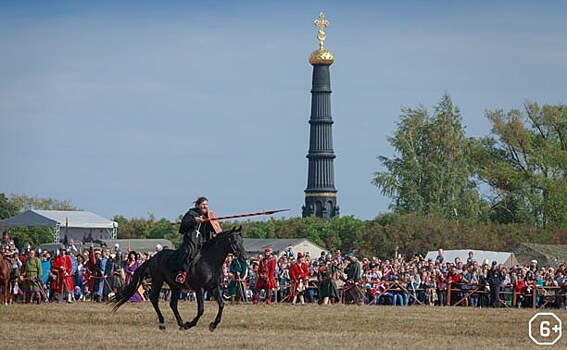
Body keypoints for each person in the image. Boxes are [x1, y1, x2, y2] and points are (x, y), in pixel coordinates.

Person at [175, 196, 222, 283]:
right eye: (203, 204)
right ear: (197, 205)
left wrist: (212, 225)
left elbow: (214, 228)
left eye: (206, 204)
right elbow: (183, 226)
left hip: (204, 241)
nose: (205, 206)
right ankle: (182, 273)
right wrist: (194, 221)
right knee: (189, 252)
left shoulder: (207, 216)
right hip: (192, 240)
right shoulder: (191, 214)